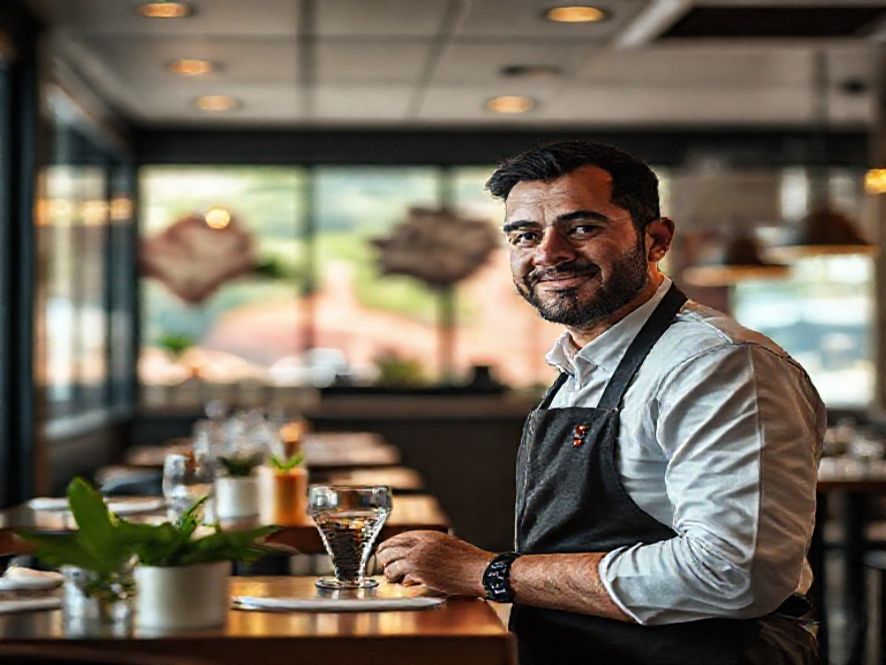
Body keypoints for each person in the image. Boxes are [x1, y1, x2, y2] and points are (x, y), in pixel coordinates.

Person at [376, 141, 825, 665]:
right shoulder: (581, 362)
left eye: (582, 228)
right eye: (525, 235)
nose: (549, 253)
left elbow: (735, 574)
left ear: (656, 240)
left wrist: (489, 573)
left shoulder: (717, 365)